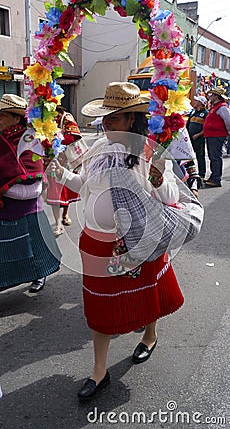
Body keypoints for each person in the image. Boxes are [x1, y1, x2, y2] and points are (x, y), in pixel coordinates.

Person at [50, 82, 185, 400]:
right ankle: (99, 372)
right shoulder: (98, 149)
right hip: (95, 245)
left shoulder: (149, 151)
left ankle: (150, 335)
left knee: (145, 292)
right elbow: (83, 183)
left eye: (117, 117)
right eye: (106, 117)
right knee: (100, 308)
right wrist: (60, 174)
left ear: (133, 121)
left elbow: (170, 196)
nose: (108, 123)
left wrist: (158, 174)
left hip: (136, 241)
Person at [0, 94, 61, 293]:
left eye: (2, 116)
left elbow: (31, 167)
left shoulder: (31, 137)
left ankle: (39, 274)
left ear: (16, 118)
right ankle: (7, 280)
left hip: (29, 204)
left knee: (36, 245)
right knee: (8, 248)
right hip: (6, 205)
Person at [44, 106, 82, 236]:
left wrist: (52, 142)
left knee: (67, 188)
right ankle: (58, 222)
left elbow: (73, 137)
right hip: (51, 160)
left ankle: (65, 214)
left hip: (65, 160)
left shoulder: (66, 117)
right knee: (54, 190)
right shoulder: (42, 117)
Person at [203, 87, 230, 187]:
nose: (210, 97)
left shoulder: (222, 107)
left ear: (216, 96)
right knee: (213, 157)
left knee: (215, 157)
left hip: (217, 135)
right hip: (212, 135)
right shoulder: (216, 106)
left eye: (212, 95)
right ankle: (214, 176)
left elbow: (228, 121)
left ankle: (216, 179)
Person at [186, 95, 208, 183]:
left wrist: (198, 135)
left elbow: (205, 128)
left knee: (200, 156)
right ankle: (190, 173)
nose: (194, 102)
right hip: (190, 139)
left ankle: (202, 174)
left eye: (196, 101)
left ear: (200, 103)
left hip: (199, 139)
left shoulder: (206, 113)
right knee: (188, 156)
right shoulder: (193, 112)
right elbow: (188, 124)